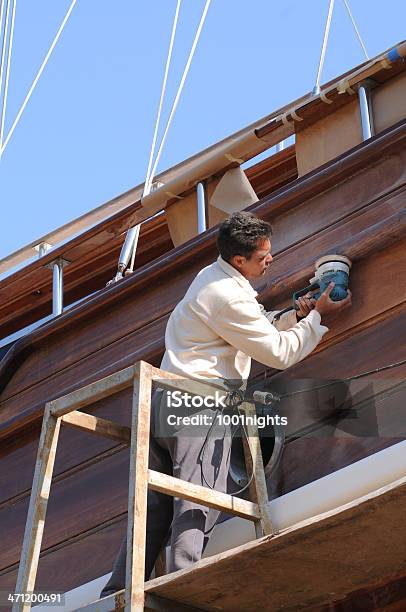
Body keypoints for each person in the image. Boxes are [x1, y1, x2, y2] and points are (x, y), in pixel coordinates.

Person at [101, 211, 351, 596]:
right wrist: (316, 319)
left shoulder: (211, 278)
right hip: (197, 406)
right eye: (263, 255)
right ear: (239, 260)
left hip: (165, 402)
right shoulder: (228, 296)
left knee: (153, 510)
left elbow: (250, 325)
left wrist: (291, 316)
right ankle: (181, 587)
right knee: (199, 501)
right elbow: (278, 353)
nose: (271, 259)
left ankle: (116, 594)